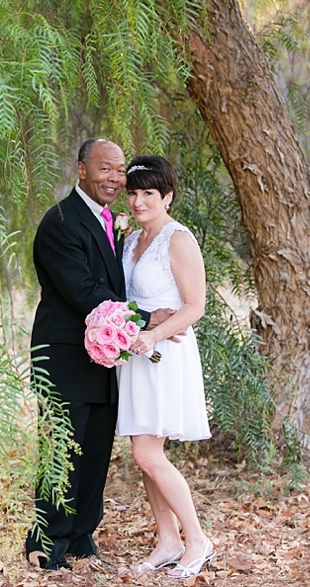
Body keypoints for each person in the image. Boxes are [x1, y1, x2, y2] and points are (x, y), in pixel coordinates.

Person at [25, 139, 174, 570]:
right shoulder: (61, 222)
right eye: (103, 168)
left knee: (93, 452)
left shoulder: (113, 222)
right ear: (81, 170)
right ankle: (46, 542)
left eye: (119, 169)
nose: (113, 177)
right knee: (61, 451)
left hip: (107, 357)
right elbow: (84, 291)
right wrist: (146, 317)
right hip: (65, 355)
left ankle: (80, 536)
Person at [117, 155, 214, 579]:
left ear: (167, 197)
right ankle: (168, 540)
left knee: (147, 452)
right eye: (134, 193)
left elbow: (195, 305)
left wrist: (154, 334)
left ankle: (197, 539)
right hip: (135, 356)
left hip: (164, 354)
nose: (139, 202)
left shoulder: (178, 240)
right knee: (145, 457)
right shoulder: (131, 239)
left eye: (149, 194)